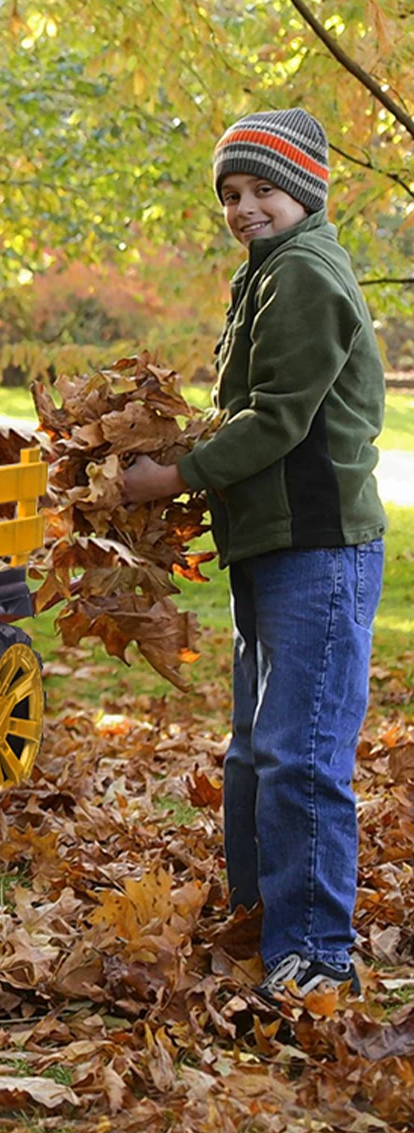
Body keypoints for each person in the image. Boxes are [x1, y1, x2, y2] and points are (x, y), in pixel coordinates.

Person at [122, 107, 385, 1006]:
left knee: (301, 753)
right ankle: (257, 915)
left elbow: (278, 420)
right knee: (254, 751)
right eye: (231, 193)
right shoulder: (265, 274)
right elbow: (245, 408)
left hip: (319, 545)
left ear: (304, 192)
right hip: (271, 546)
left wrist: (174, 478)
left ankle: (315, 954)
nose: (243, 207)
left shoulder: (306, 273)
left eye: (262, 189)